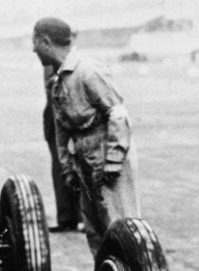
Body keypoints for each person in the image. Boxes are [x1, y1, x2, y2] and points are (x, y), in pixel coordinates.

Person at [33, 16, 140, 256]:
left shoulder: (88, 71)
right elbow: (62, 132)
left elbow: (118, 114)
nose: (33, 49)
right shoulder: (58, 82)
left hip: (107, 155)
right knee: (96, 234)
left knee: (120, 229)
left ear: (46, 42)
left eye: (35, 42)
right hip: (84, 160)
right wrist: (68, 169)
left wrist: (114, 160)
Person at [44, 64, 82, 232]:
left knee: (76, 167)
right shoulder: (49, 63)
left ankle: (82, 217)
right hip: (55, 119)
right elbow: (49, 84)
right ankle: (66, 217)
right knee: (60, 169)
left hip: (69, 118)